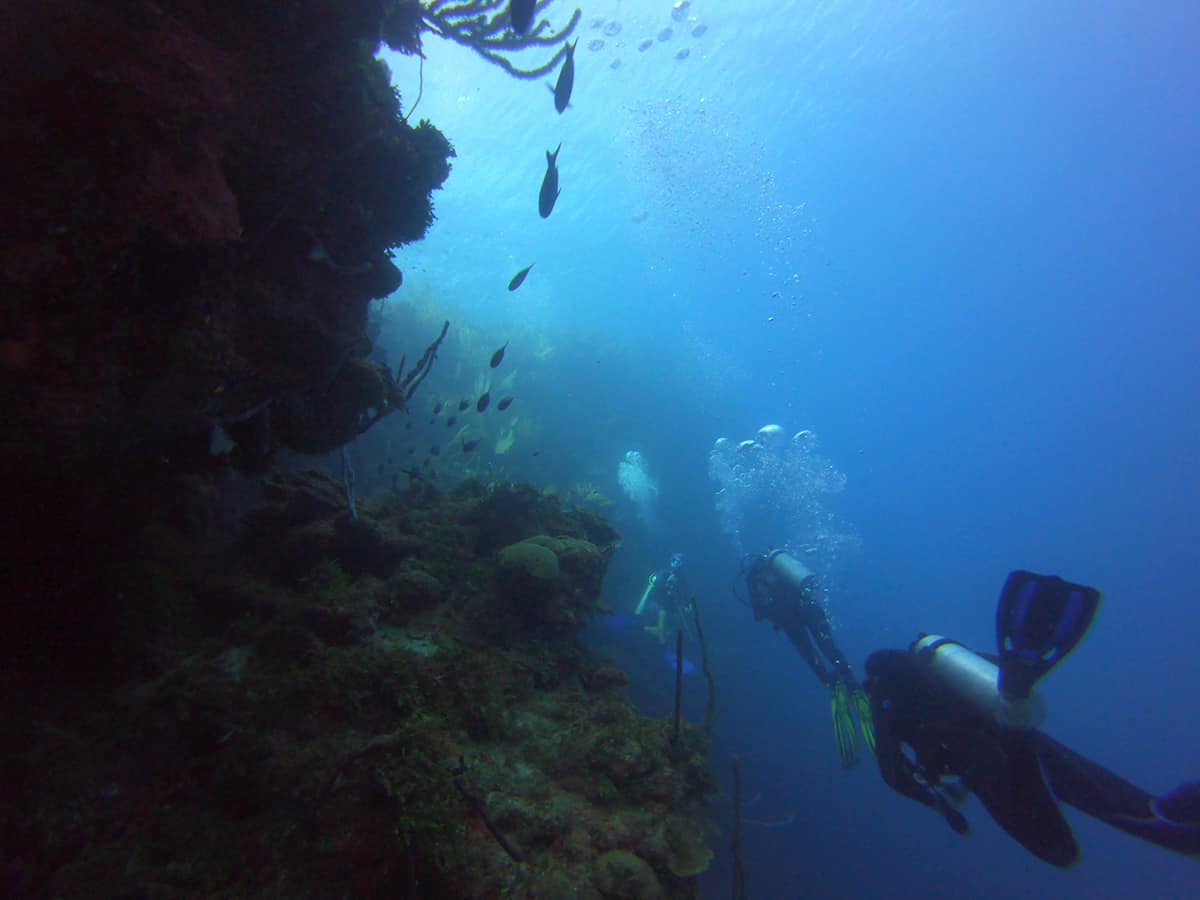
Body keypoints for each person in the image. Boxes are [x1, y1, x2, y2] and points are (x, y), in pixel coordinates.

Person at [865, 569, 1200, 867]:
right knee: (1109, 798)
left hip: (983, 758)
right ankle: (1177, 818)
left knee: (1059, 851)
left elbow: (893, 772)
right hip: (1018, 728)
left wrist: (941, 805)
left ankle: (1180, 828)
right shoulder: (939, 670)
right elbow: (996, 676)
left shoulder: (883, 699)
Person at [738, 549, 875, 767]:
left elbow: (759, 615)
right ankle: (852, 683)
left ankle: (831, 683)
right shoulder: (780, 564)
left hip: (788, 620)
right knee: (830, 648)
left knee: (810, 656)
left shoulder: (753, 579)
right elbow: (809, 585)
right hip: (810, 610)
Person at [635, 552, 694, 644]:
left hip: (669, 608)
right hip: (658, 604)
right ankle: (657, 635)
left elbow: (685, 592)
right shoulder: (663, 572)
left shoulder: (682, 579)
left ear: (682, 564)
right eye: (674, 560)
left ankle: (654, 633)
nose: (675, 563)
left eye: (678, 562)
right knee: (662, 629)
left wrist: (687, 604)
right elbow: (655, 584)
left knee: (664, 626)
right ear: (671, 560)